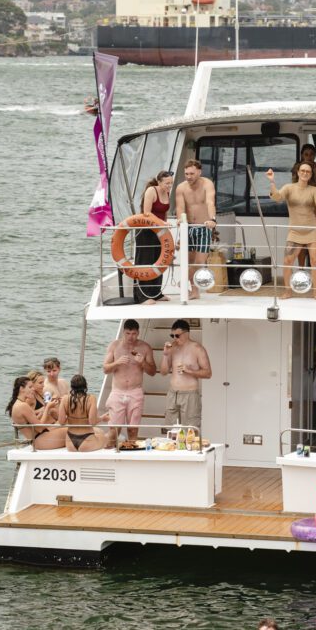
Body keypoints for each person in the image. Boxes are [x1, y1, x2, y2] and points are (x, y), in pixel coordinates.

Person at [266, 163, 316, 300]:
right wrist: (272, 181)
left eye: (308, 171)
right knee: (288, 260)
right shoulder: (289, 188)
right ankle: (288, 291)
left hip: (312, 230)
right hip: (295, 232)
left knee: (315, 261)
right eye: (303, 170)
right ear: (298, 172)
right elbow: (277, 197)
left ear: (311, 174)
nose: (305, 173)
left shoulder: (314, 189)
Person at [103, 319, 156, 441]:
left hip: (135, 391)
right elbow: (105, 369)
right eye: (128, 333)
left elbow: (152, 372)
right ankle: (113, 455)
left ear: (138, 333)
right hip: (117, 391)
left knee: (133, 429)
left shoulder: (145, 347)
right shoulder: (114, 346)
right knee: (114, 430)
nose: (130, 337)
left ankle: (132, 452)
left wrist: (143, 363)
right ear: (123, 332)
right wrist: (117, 362)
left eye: (133, 334)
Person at [175, 160, 217, 300]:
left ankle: (183, 280)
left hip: (203, 227)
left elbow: (210, 202)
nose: (189, 176)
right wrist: (180, 220)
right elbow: (180, 207)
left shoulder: (207, 184)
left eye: (192, 173)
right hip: (188, 227)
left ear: (199, 172)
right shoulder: (181, 188)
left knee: (199, 261)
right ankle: (194, 291)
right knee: (189, 260)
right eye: (186, 173)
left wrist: (213, 219)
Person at [160, 319, 212, 432]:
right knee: (171, 430)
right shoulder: (172, 348)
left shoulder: (197, 348)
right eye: (172, 335)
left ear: (187, 333)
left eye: (177, 335)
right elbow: (163, 372)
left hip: (190, 395)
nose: (175, 338)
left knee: (190, 432)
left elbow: (208, 373)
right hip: (173, 394)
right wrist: (165, 355)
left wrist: (189, 371)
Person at [134, 170, 173, 304]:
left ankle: (156, 293)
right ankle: (141, 296)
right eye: (167, 183)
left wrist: (165, 228)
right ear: (159, 182)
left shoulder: (167, 192)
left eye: (171, 184)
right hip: (146, 231)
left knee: (159, 261)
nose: (169, 186)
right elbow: (147, 213)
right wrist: (162, 223)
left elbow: (164, 212)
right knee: (145, 262)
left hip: (160, 232)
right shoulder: (151, 191)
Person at [7, 376, 66, 450]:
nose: (33, 389)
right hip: (40, 440)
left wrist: (43, 410)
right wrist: (47, 408)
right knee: (72, 431)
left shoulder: (18, 403)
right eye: (30, 387)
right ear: (21, 389)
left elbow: (33, 424)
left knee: (68, 426)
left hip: (38, 438)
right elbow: (40, 428)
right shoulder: (22, 405)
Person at [58, 374, 109, 452]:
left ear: (72, 387)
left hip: (70, 442)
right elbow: (92, 422)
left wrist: (72, 417)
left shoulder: (65, 399)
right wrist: (102, 418)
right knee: (108, 438)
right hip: (87, 441)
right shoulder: (91, 398)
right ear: (85, 386)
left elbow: (61, 422)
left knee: (99, 433)